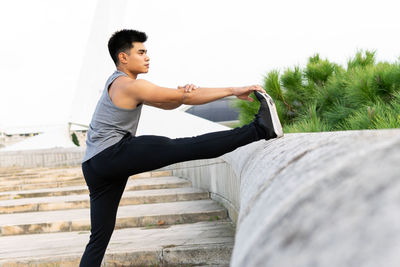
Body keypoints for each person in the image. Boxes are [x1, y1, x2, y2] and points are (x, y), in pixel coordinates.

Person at [79, 29, 283, 267]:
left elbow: (169, 103)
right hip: (112, 154)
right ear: (123, 57)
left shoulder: (117, 84)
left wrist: (181, 94)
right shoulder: (129, 85)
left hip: (93, 165)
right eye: (141, 52)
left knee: (99, 239)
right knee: (188, 146)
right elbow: (183, 99)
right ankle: (260, 129)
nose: (147, 57)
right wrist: (232, 90)